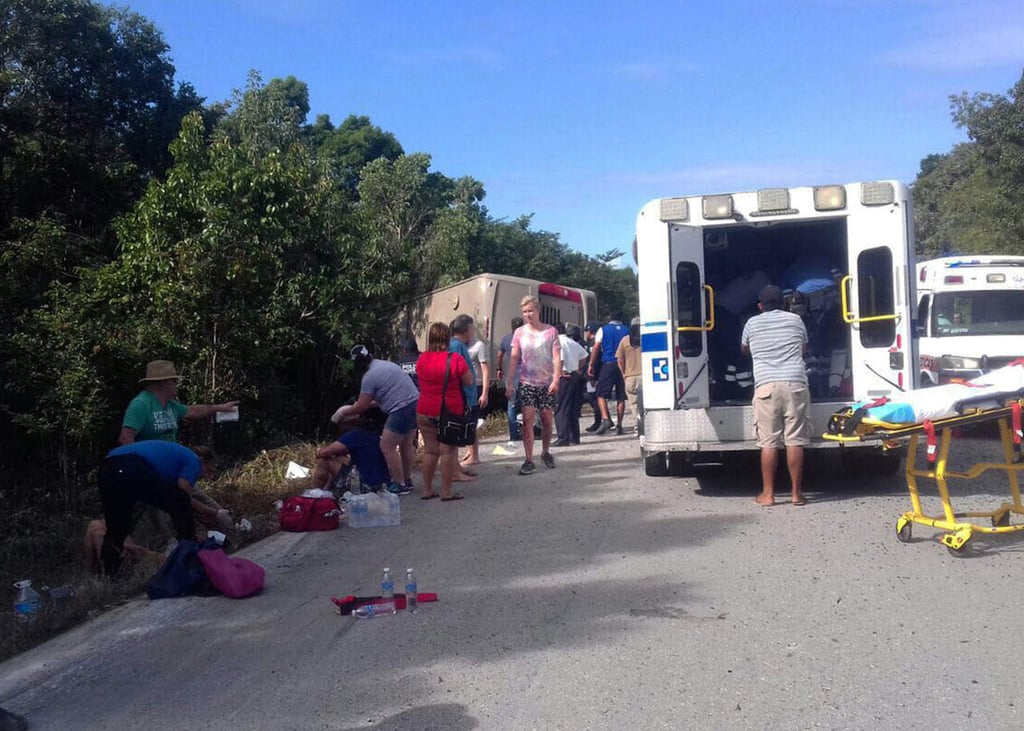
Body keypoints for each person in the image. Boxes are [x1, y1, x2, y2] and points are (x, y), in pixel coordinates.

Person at [98, 440, 216, 575]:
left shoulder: (176, 455)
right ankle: (190, 556)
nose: (207, 476)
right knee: (180, 501)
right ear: (202, 461)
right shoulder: (194, 461)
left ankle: (108, 575)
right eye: (208, 470)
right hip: (130, 464)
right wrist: (215, 514)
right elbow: (183, 497)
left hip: (107, 469)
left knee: (116, 530)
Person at [740, 284, 811, 507]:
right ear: (784, 303)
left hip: (766, 386)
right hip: (795, 383)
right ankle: (796, 494)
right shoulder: (795, 320)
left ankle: (768, 495)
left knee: (769, 442)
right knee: (795, 440)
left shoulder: (752, 323)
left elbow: (744, 349)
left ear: (760, 306)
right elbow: (803, 348)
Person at [332, 346, 419, 496]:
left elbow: (361, 406)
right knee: (406, 444)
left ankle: (399, 484)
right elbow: (381, 399)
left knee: (387, 446)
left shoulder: (369, 377)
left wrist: (342, 412)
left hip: (401, 409)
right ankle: (406, 479)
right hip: (415, 403)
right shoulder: (386, 365)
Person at [118, 360, 239, 445]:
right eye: (174, 381)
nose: (177, 385)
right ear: (162, 383)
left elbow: (193, 410)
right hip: (149, 467)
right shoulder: (141, 404)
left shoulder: (171, 405)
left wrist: (220, 408)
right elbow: (125, 438)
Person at [416, 322, 473, 501]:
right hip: (449, 410)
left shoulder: (422, 359)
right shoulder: (455, 359)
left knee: (430, 451)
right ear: (447, 338)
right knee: (447, 452)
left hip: (424, 409)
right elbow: (469, 381)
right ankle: (446, 492)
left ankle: (427, 489)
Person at [506, 295, 562, 475]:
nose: (527, 314)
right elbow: (514, 357)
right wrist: (509, 381)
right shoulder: (519, 333)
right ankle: (528, 459)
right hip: (527, 382)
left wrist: (556, 380)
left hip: (546, 383)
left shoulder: (551, 332)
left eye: (530, 311)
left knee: (546, 419)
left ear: (538, 311)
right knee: (528, 420)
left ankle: (545, 452)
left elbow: (556, 358)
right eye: (524, 312)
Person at [312, 409, 391, 494]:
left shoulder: (353, 435)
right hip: (382, 483)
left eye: (339, 425)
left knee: (324, 461)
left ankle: (314, 494)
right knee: (340, 458)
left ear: (347, 423)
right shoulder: (370, 432)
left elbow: (325, 452)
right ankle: (328, 490)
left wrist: (318, 452)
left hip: (365, 485)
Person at [588, 313, 630, 435]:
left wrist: (591, 363)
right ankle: (619, 425)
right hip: (623, 364)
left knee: (600, 394)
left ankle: (606, 418)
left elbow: (596, 347)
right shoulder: (627, 330)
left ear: (609, 319)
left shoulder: (603, 330)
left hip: (608, 363)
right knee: (620, 396)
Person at [553, 323, 588, 446]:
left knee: (561, 408)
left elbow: (560, 358)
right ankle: (574, 437)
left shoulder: (557, 342)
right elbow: (584, 355)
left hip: (564, 377)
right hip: (574, 376)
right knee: (572, 408)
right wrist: (578, 369)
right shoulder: (571, 342)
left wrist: (560, 372)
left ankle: (563, 438)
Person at [464, 322, 491, 467]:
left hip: (477, 387)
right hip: (466, 387)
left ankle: (475, 455)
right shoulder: (463, 345)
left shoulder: (479, 346)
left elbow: (485, 370)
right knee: (468, 421)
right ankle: (470, 451)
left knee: (472, 422)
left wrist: (485, 393)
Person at [496, 317, 524, 443]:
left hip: (511, 377)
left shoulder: (506, 339)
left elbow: (499, 355)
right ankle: (528, 432)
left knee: (511, 406)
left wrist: (499, 368)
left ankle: (513, 435)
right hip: (526, 376)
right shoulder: (527, 338)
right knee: (528, 405)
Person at [616, 319, 643, 437]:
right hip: (645, 377)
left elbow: (620, 360)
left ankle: (638, 428)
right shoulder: (646, 338)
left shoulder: (625, 340)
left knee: (634, 405)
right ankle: (647, 427)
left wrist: (623, 374)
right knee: (647, 404)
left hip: (630, 377)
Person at [582, 323, 603, 432]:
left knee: (593, 398)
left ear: (589, 331)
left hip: (593, 376)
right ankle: (601, 420)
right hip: (592, 375)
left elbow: (594, 360)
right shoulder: (590, 343)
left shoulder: (593, 344)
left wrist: (593, 376)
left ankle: (600, 421)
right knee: (593, 398)